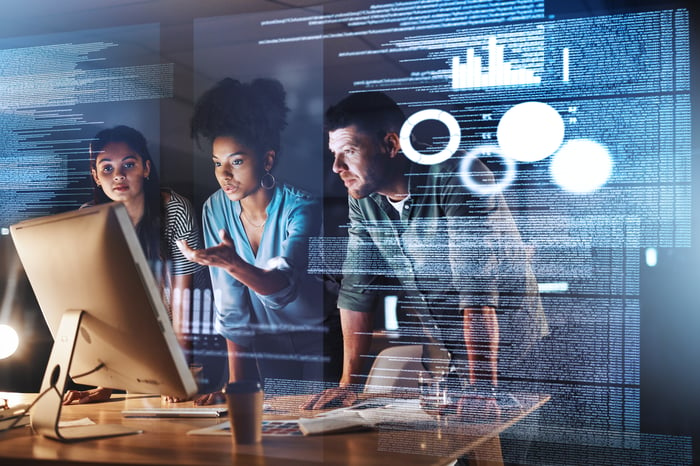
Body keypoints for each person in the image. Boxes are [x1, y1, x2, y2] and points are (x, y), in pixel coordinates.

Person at [304, 91, 549, 414]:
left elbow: (476, 295)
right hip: (449, 358)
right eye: (334, 153)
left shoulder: (459, 176)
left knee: (509, 454)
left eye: (349, 150)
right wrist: (349, 385)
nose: (337, 167)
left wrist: (482, 387)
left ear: (391, 145)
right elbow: (356, 291)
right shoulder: (362, 196)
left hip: (513, 355)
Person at [179, 78, 339, 404]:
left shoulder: (301, 206)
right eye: (217, 163)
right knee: (274, 436)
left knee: (315, 435)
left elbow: (282, 287)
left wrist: (234, 264)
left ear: (267, 160)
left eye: (236, 161)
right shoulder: (215, 208)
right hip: (265, 346)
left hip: (316, 342)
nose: (225, 174)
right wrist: (235, 387)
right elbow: (231, 306)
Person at [63, 125, 203, 405]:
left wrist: (175, 374)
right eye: (107, 168)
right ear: (96, 176)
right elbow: (101, 306)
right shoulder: (87, 218)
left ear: (146, 169)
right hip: (126, 353)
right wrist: (104, 386)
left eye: (129, 164)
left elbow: (184, 307)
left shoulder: (175, 209)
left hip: (184, 351)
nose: (119, 175)